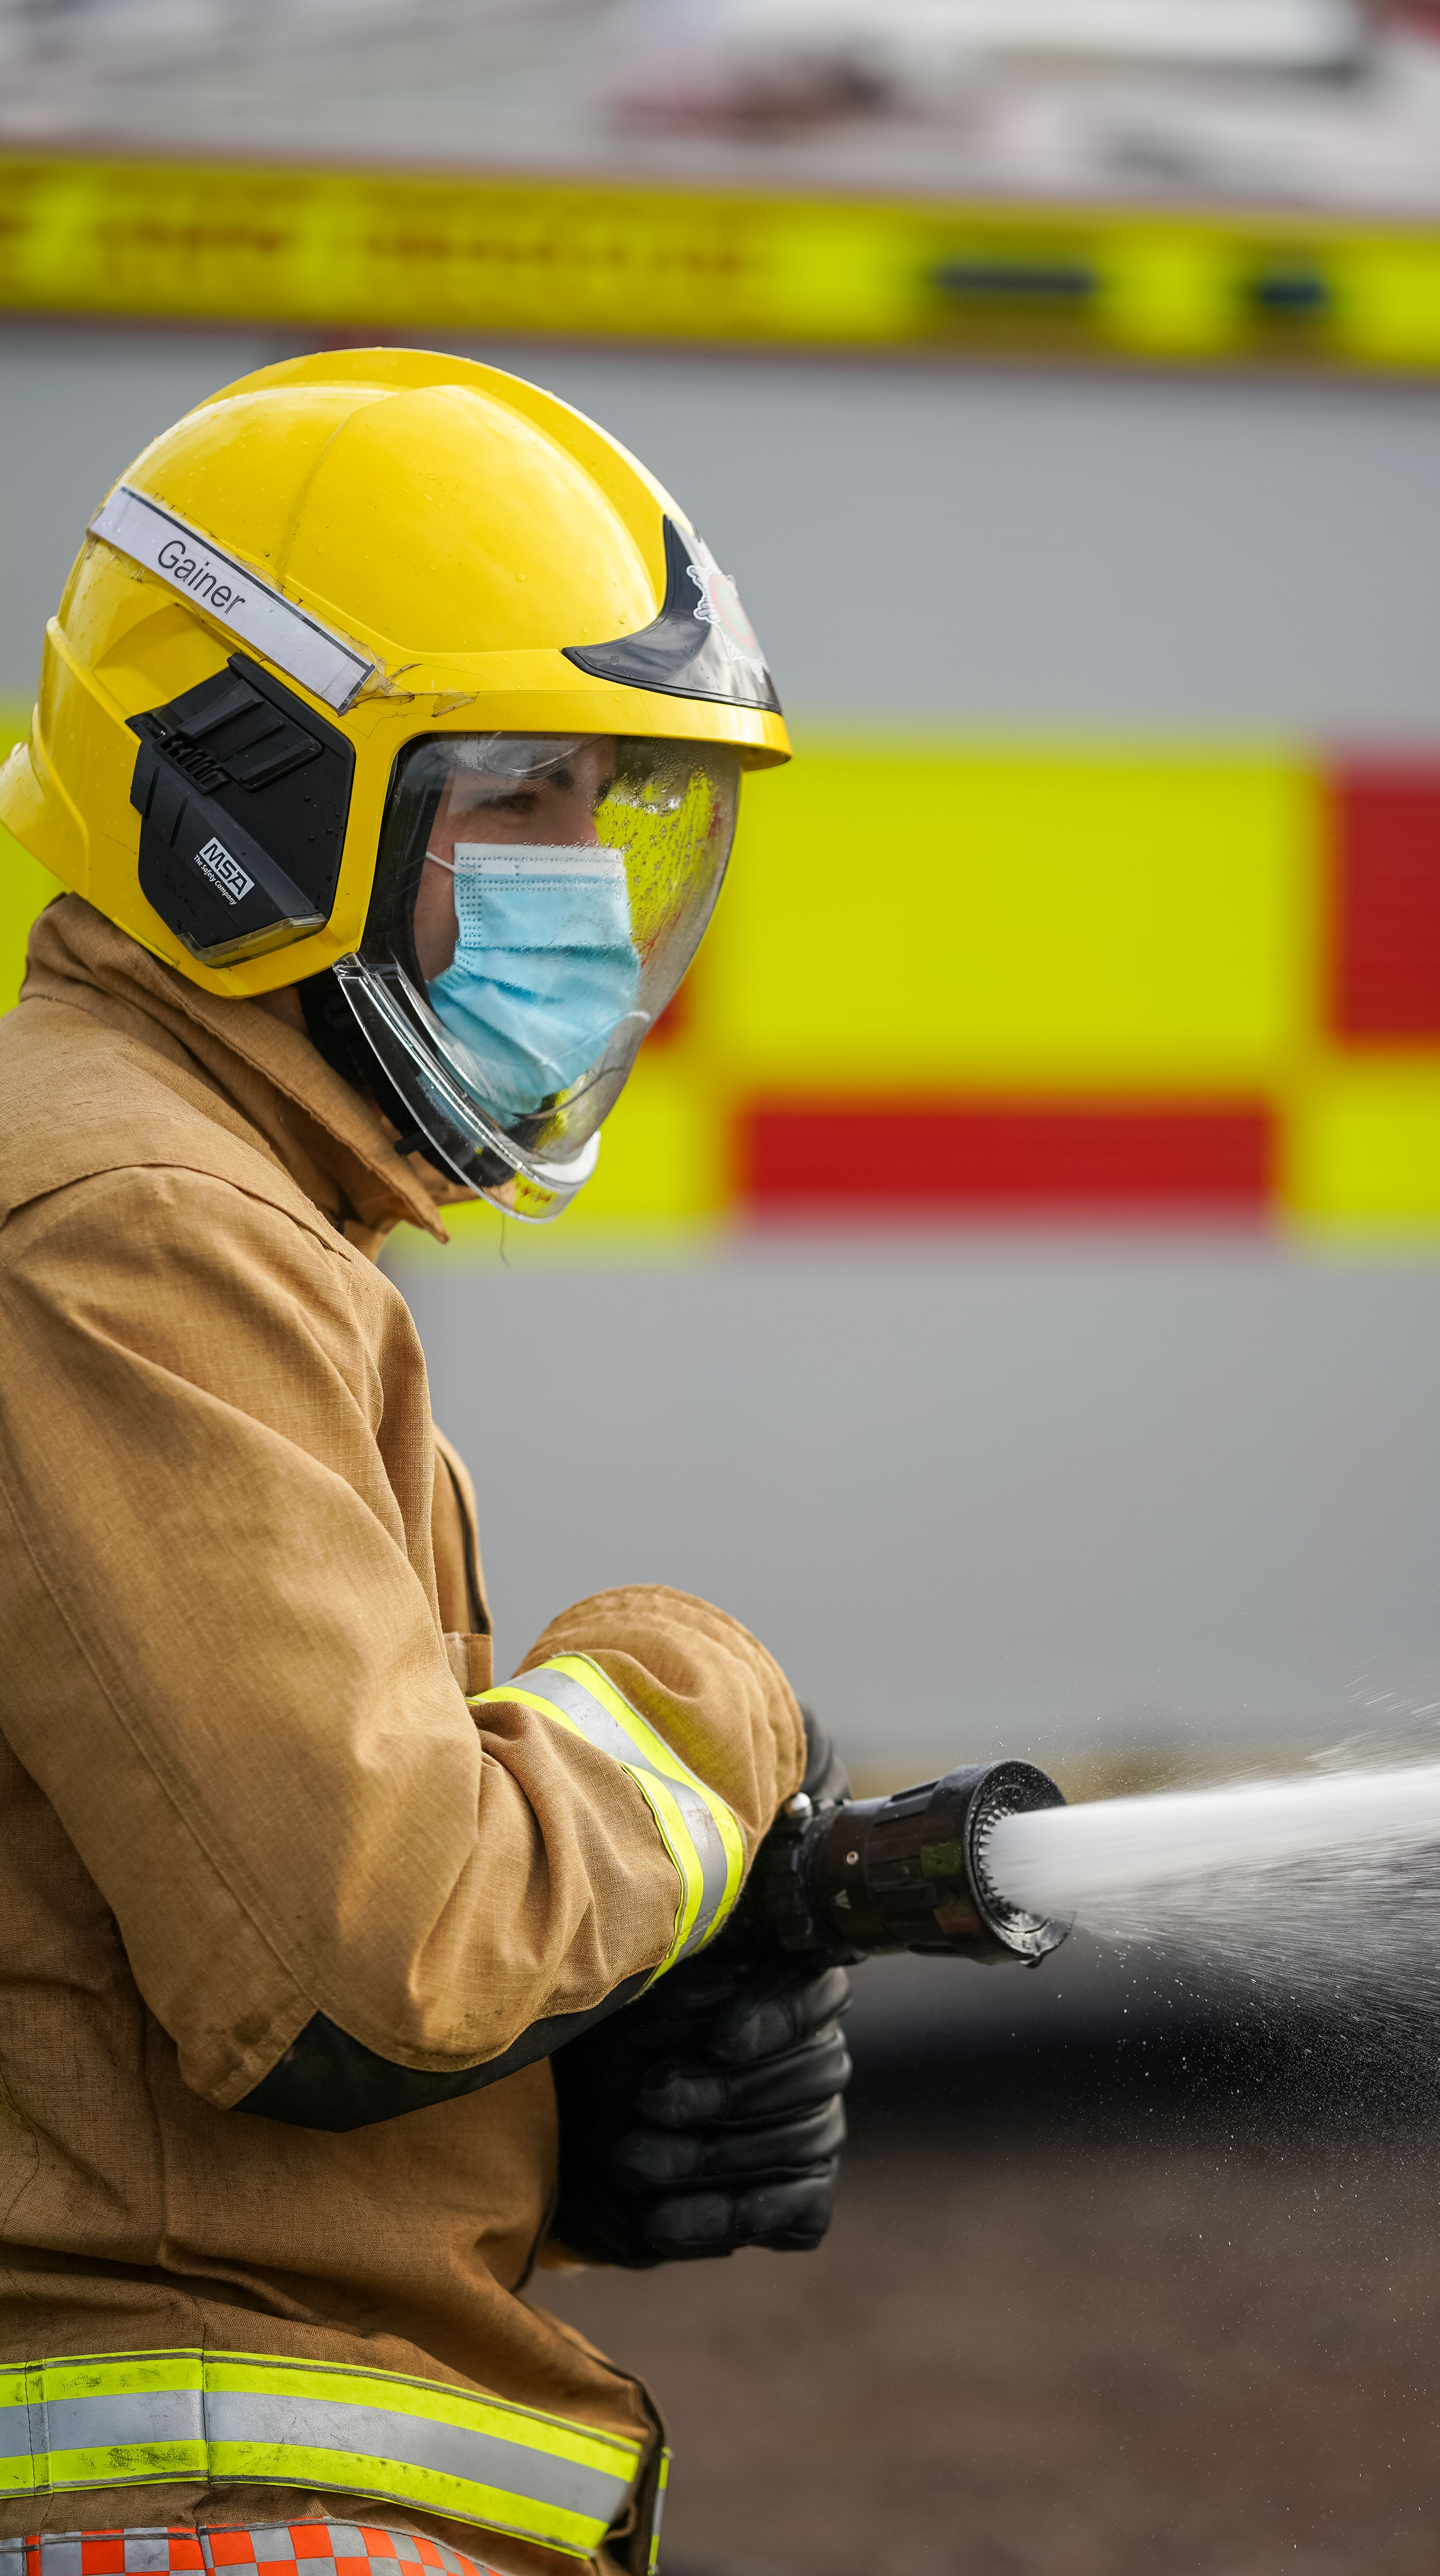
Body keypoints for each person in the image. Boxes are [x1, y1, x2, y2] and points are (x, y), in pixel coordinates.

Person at [0, 351, 852, 2576]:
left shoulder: (207, 1203)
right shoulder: (133, 1228)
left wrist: (583, 2097)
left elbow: (155, 1956)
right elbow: (379, 1952)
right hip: (200, 2513)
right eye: (520, 802)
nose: (587, 892)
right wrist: (705, 1696)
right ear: (250, 798)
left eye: (611, 810)